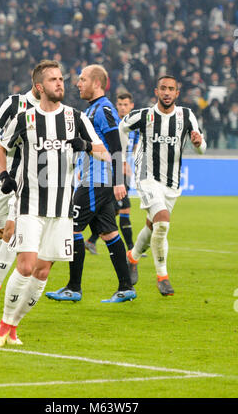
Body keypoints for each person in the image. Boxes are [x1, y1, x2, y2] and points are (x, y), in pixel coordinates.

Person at [0, 60, 107, 347]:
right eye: (54, 80)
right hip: (30, 205)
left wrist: (86, 146)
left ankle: (13, 327)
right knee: (27, 266)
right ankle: (3, 326)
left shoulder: (76, 118)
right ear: (40, 87)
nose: (61, 84)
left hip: (63, 210)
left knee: (42, 272)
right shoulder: (25, 119)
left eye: (62, 79)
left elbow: (105, 152)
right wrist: (4, 174)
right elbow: (0, 147)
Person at [45, 65, 137, 304]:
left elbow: (116, 147)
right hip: (94, 180)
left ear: (97, 83)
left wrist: (118, 182)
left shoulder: (104, 109)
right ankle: (126, 287)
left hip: (97, 182)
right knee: (109, 232)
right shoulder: (94, 109)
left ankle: (73, 287)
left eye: (83, 79)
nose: (78, 83)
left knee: (70, 228)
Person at [119, 75, 206, 295]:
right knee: (163, 222)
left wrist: (199, 143)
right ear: (156, 91)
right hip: (146, 177)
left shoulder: (186, 115)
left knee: (153, 226)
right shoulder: (144, 115)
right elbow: (122, 127)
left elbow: (200, 147)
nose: (167, 92)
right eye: (163, 89)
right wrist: (121, 158)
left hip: (172, 182)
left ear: (177, 93)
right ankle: (162, 276)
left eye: (171, 89)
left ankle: (133, 257)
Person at [0, 85, 41, 311]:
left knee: (11, 230)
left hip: (31, 181)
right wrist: (11, 139)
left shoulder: (51, 110)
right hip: (4, 176)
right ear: (37, 84)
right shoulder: (14, 103)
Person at [85, 92, 146, 257]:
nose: (122, 107)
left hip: (123, 172)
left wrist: (130, 163)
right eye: (120, 104)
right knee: (123, 207)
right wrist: (123, 163)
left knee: (115, 210)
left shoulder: (134, 128)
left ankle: (91, 240)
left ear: (132, 106)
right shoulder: (112, 123)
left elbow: (132, 149)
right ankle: (132, 249)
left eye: (126, 104)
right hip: (111, 171)